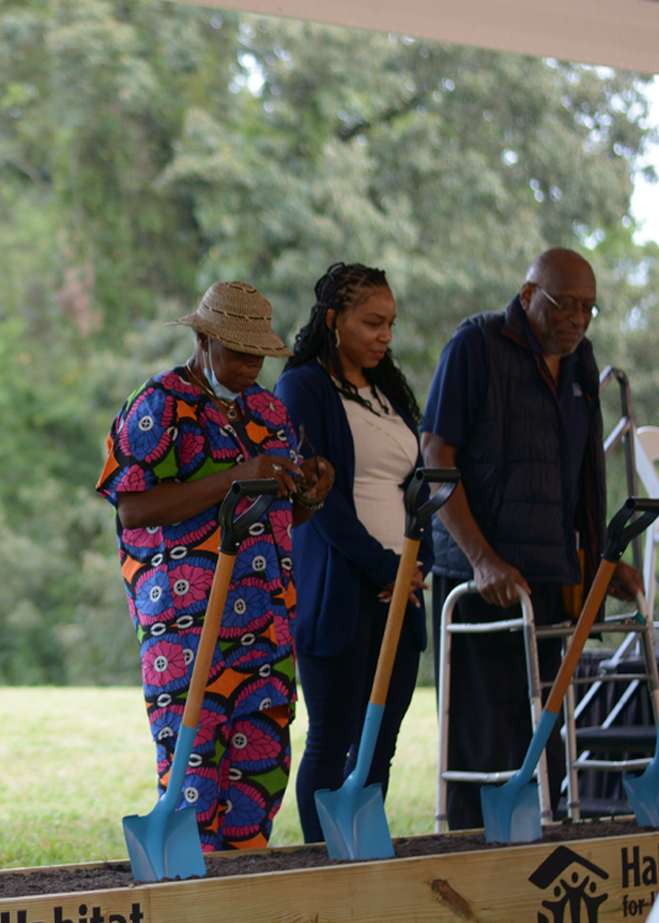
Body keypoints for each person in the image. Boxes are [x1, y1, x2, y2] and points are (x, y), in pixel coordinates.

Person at [96, 281, 333, 852]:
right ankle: (190, 898)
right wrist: (235, 474)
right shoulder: (160, 404)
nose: (252, 364)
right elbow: (132, 510)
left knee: (260, 773)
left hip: (266, 624)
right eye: (237, 351)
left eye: (259, 353)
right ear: (202, 338)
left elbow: (273, 516)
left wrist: (310, 495)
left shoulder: (269, 410)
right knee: (193, 778)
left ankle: (244, 897)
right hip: (187, 624)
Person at [422, 246, 643, 829]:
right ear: (527, 296)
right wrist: (481, 558)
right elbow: (435, 455)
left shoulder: (581, 364)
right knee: (483, 738)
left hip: (548, 575)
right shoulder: (476, 346)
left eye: (588, 309)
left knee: (542, 736)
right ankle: (473, 862)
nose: (576, 319)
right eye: (564, 304)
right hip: (482, 579)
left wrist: (599, 560)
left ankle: (534, 856)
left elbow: (584, 477)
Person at [274, 262, 434, 844]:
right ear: (335, 320)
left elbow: (420, 486)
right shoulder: (302, 387)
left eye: (390, 323)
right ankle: (324, 863)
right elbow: (322, 498)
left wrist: (419, 564)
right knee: (335, 733)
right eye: (372, 323)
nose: (384, 336)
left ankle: (363, 857)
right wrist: (385, 566)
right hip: (340, 588)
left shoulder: (386, 390)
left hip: (401, 589)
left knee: (380, 743)